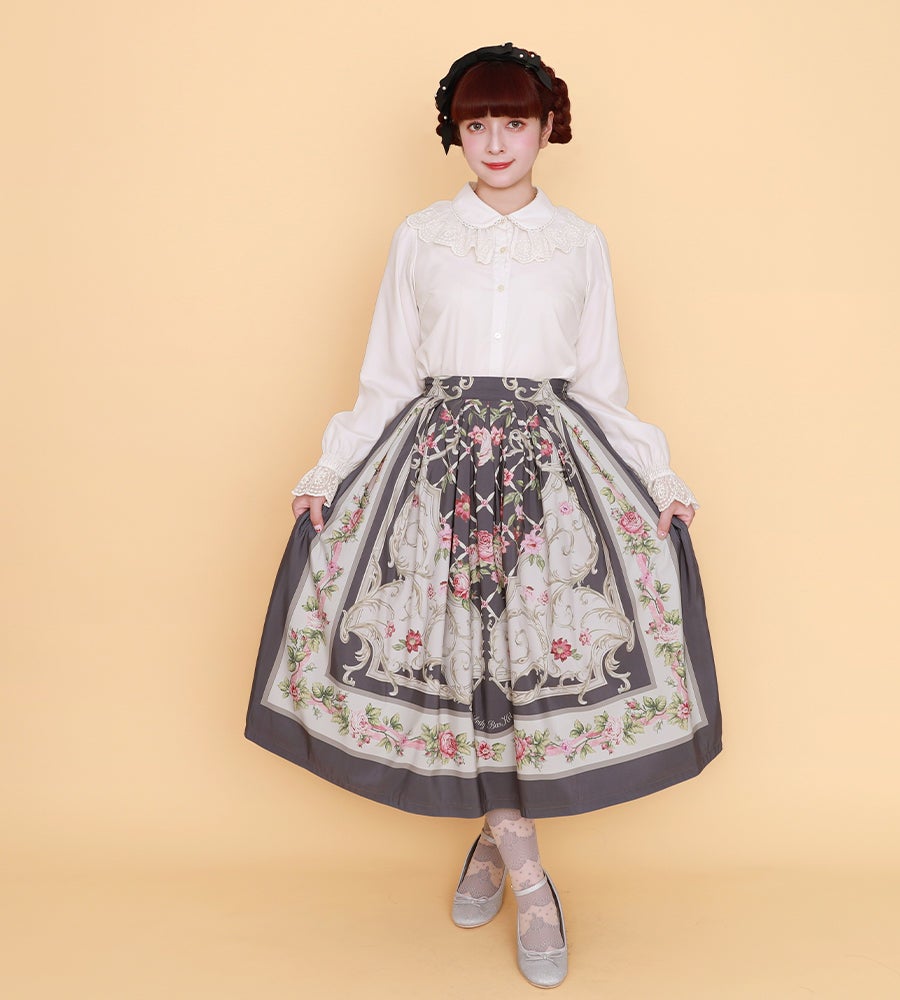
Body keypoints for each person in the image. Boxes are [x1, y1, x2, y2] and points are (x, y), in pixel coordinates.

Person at [244, 41, 723, 989]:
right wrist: (330, 468)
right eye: (476, 124)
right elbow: (387, 375)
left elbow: (602, 383)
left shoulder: (579, 242)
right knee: (463, 666)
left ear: (547, 129)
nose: (495, 142)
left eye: (514, 122)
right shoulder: (421, 236)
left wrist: (658, 477)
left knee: (524, 670)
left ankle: (494, 845)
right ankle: (531, 879)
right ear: (455, 134)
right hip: (436, 478)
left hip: (551, 479)